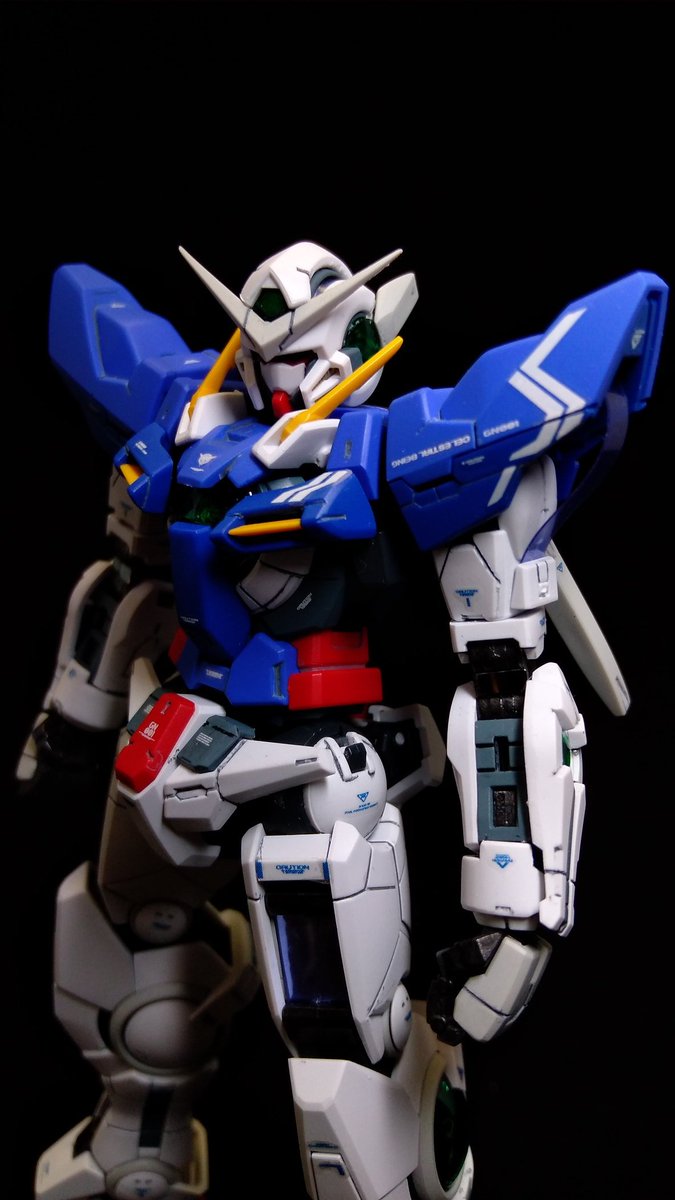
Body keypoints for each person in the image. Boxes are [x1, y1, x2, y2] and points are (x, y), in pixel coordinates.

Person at [23, 241, 668, 1200]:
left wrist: (516, 913)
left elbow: (506, 681)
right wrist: (75, 716)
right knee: (124, 951)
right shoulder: (187, 427)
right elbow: (130, 583)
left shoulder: (399, 449)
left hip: (314, 771)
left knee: (340, 1050)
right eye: (267, 352)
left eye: (306, 352)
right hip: (174, 740)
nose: (286, 377)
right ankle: (141, 1142)